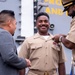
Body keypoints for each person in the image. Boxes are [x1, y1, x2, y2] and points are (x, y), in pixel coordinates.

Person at [0, 10, 31, 75]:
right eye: (15, 23)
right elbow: (9, 57)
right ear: (9, 23)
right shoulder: (4, 34)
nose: (15, 27)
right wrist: (24, 62)